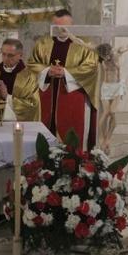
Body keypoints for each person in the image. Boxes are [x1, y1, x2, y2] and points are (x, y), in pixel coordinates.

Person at [26, 9, 99, 150]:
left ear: (73, 25)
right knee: (46, 129)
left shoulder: (85, 45)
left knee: (70, 132)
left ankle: (72, 160)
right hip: (47, 96)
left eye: (65, 27)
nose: (62, 31)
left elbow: (91, 68)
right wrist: (47, 70)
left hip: (72, 97)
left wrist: (66, 73)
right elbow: (32, 64)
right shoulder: (43, 43)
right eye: (57, 27)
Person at [0, 38, 40, 122]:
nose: (6, 58)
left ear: (20, 55)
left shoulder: (29, 77)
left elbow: (32, 104)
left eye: (10, 55)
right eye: (3, 54)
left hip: (17, 124)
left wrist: (7, 97)